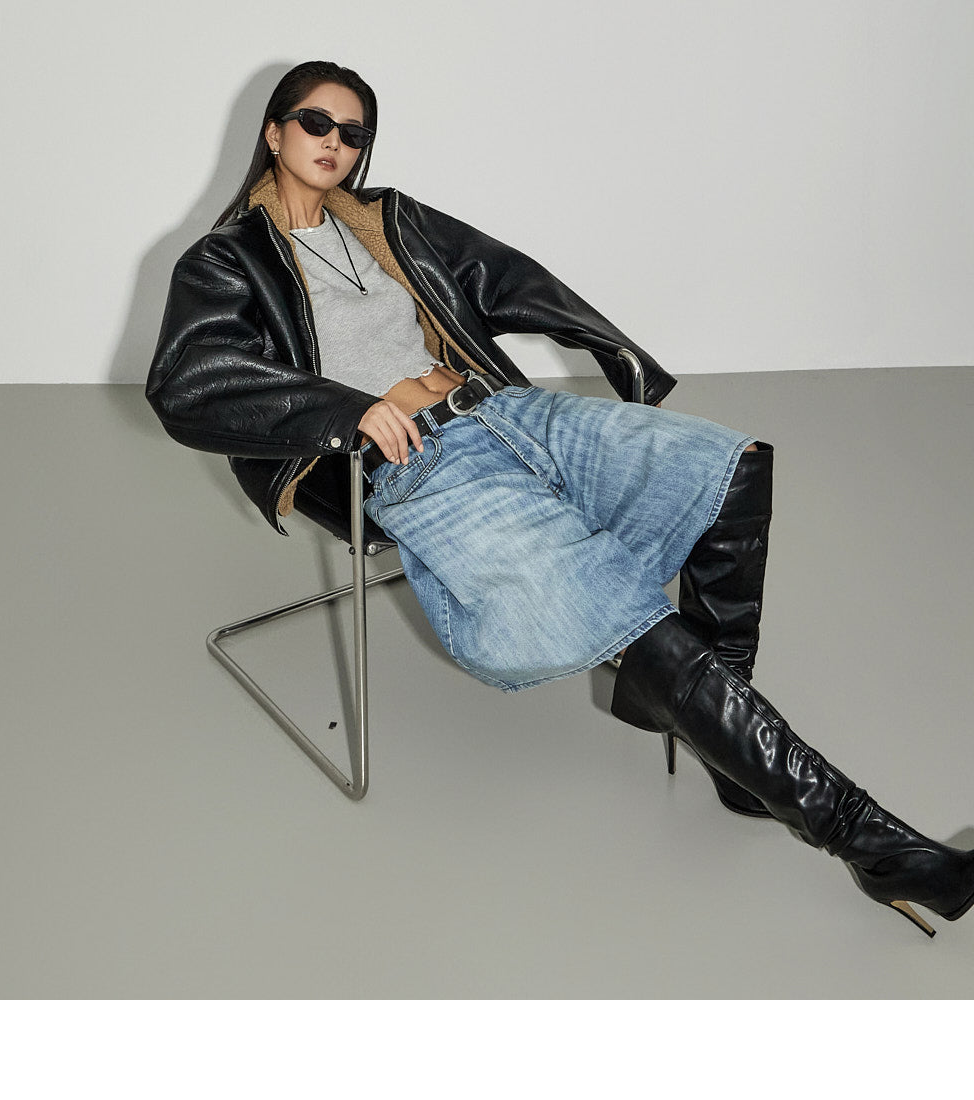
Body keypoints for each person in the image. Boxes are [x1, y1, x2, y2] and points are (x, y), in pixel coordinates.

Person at [147, 60, 974, 937]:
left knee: (732, 467)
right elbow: (187, 380)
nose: (335, 144)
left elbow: (503, 275)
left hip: (505, 413)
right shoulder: (225, 259)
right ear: (274, 131)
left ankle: (725, 756)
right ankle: (872, 845)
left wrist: (611, 348)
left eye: (353, 133)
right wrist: (347, 411)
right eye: (316, 123)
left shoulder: (383, 220)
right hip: (415, 461)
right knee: (622, 611)